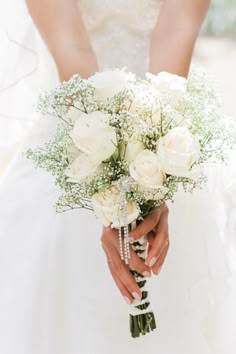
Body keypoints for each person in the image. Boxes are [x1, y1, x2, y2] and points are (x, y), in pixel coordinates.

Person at [0, 0, 235, 353]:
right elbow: (71, 47)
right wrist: (111, 193)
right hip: (73, 118)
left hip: (163, 118)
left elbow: (175, 30)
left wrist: (157, 177)